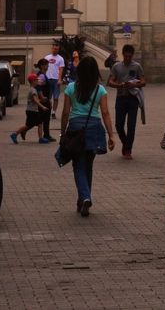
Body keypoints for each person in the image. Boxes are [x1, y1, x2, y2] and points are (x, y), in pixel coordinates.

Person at [59, 54, 115, 216]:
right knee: (88, 165)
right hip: (94, 128)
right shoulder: (100, 89)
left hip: (75, 128)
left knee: (78, 165)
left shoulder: (71, 88)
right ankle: (84, 198)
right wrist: (111, 135)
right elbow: (105, 113)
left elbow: (65, 112)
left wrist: (63, 132)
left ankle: (84, 198)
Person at [107, 43, 145, 159]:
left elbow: (143, 82)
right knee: (119, 125)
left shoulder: (137, 66)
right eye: (126, 56)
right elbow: (110, 82)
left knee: (131, 125)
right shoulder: (116, 66)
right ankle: (125, 143)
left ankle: (128, 149)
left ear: (132, 55)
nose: (127, 58)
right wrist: (119, 85)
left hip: (133, 98)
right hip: (121, 98)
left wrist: (134, 84)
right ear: (122, 54)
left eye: (130, 56)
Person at [10, 73, 51, 143]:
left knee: (36, 124)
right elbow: (35, 100)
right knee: (30, 125)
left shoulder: (32, 89)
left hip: (31, 110)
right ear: (33, 81)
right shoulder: (33, 90)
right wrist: (42, 106)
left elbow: (35, 100)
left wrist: (42, 100)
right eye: (36, 80)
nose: (37, 82)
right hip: (32, 111)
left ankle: (16, 134)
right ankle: (15, 134)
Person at [43, 40, 65, 119]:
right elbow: (43, 68)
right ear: (52, 48)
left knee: (56, 97)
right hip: (48, 79)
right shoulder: (47, 57)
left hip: (56, 80)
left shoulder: (60, 59)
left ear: (58, 50)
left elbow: (61, 69)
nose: (55, 50)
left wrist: (59, 79)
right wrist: (43, 77)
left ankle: (53, 112)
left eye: (57, 49)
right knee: (48, 97)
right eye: (54, 49)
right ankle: (48, 110)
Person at [35, 58, 55, 142]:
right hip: (44, 100)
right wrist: (42, 96)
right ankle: (46, 135)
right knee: (45, 118)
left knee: (43, 118)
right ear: (42, 66)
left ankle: (46, 134)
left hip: (46, 99)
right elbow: (38, 86)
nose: (48, 66)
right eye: (46, 65)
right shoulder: (42, 75)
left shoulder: (43, 74)